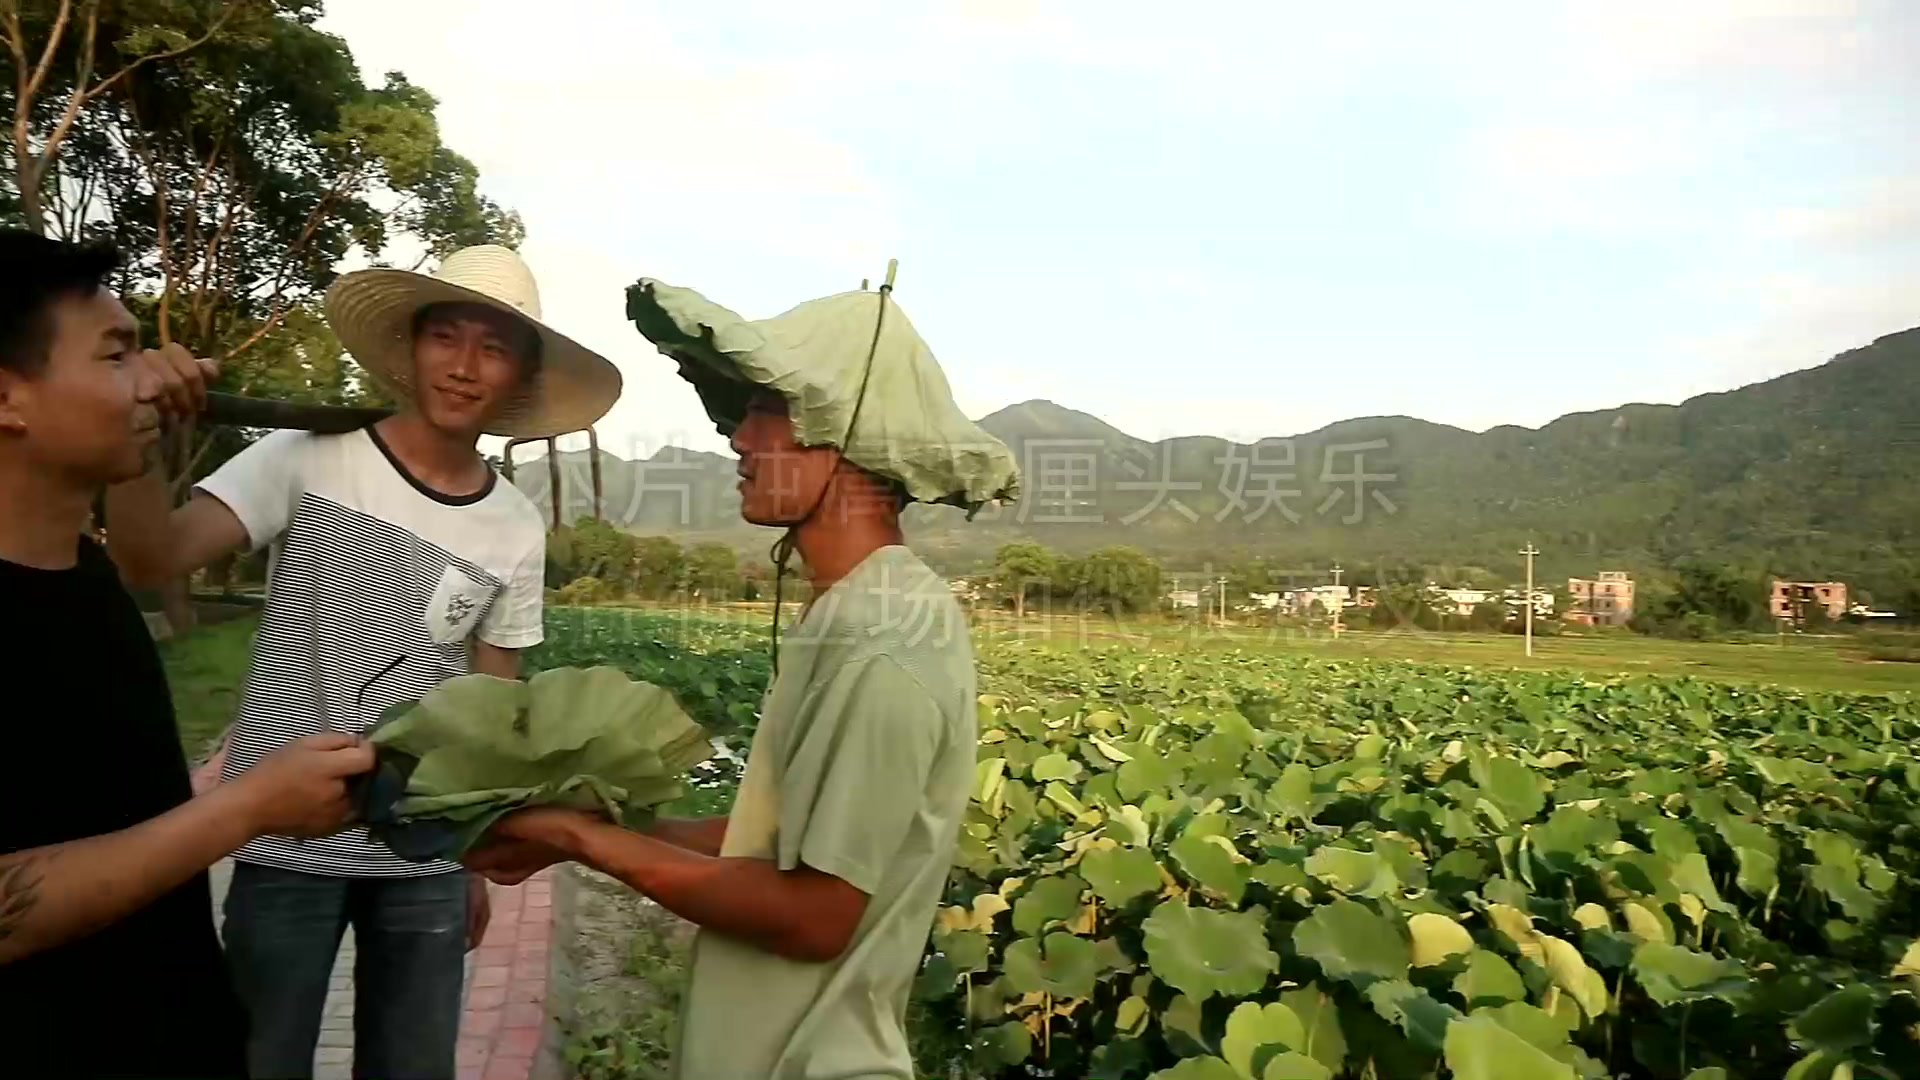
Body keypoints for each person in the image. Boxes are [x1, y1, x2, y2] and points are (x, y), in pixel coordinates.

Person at [464, 273, 1020, 1079]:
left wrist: (578, 835)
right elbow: (768, 844)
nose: (738, 438)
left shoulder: (884, 638)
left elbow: (813, 916)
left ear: (841, 435)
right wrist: (586, 827)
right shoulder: (851, 612)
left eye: (764, 411)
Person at [102, 244, 623, 1079]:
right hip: (281, 840)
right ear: (409, 349)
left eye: (492, 347)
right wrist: (133, 436)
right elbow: (149, 558)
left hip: (420, 859)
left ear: (518, 376)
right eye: (445, 337)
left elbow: (493, 705)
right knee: (257, 1060)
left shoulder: (515, 526)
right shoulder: (305, 458)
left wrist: (473, 862)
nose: (463, 367)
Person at [0, 229, 376, 1079]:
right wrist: (243, 808)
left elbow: (145, 546)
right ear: (9, 399)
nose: (164, 375)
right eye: (117, 355)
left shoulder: (79, 572)